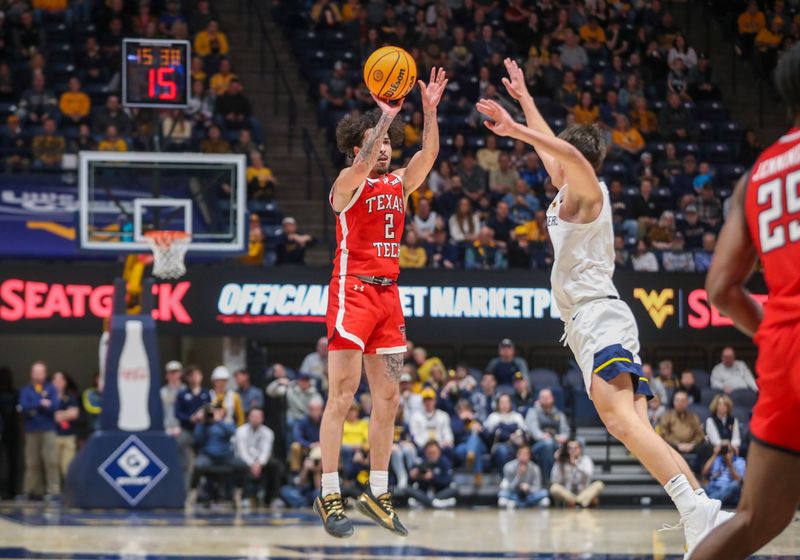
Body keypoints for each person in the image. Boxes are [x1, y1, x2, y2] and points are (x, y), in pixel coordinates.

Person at [478, 58, 730, 555]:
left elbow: (563, 152)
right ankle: (701, 510)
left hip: (598, 315)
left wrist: (514, 128)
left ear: (578, 161)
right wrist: (525, 99)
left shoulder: (590, 193)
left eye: (563, 160)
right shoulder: (566, 190)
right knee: (637, 427)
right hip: (594, 319)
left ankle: (694, 507)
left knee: (617, 422)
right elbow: (556, 150)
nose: (554, 167)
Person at [316, 68, 447, 538]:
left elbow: (428, 153)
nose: (387, 147)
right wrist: (385, 116)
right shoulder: (347, 186)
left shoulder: (397, 184)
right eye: (378, 142)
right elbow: (356, 168)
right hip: (352, 292)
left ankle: (377, 491)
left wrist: (428, 110)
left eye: (390, 141)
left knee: (389, 399)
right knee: (342, 396)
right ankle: (329, 491)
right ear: (359, 148)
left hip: (389, 295)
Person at [698, 42, 800, 551]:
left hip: (782, 350)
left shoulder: (757, 174)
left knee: (755, 518)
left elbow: (720, 288)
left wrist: (775, 335)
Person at [186, 402, 248, 509]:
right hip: (208, 457)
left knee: (242, 465)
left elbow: (232, 432)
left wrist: (218, 420)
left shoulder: (226, 423)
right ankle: (193, 492)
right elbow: (197, 439)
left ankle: (237, 492)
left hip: (226, 457)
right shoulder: (202, 425)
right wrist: (201, 422)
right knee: (198, 465)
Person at [18, 361, 60, 499]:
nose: (38, 375)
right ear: (31, 373)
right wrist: (40, 403)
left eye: (40, 372)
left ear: (45, 374)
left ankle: (54, 491)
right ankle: (30, 491)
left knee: (51, 460)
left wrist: (36, 407)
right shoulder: (26, 390)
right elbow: (23, 407)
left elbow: (54, 406)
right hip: (31, 430)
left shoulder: (51, 388)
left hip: (48, 428)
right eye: (35, 372)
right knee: (31, 462)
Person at [235, 407, 280, 507]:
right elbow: (242, 453)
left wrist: (259, 464)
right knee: (239, 465)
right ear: (249, 418)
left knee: (275, 465)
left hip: (260, 462)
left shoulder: (268, 432)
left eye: (258, 416)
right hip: (246, 461)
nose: (255, 419)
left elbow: (266, 452)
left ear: (262, 418)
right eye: (253, 416)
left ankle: (272, 498)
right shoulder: (240, 431)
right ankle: (245, 497)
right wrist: (252, 464)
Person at [175, 365, 211, 489]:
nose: (195, 377)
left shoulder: (206, 393)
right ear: (188, 378)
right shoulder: (183, 394)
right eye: (192, 375)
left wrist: (203, 414)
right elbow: (178, 413)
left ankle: (205, 491)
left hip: (203, 430)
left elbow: (211, 411)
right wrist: (190, 418)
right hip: (187, 429)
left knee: (205, 460)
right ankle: (183, 490)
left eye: (197, 374)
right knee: (184, 459)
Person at [525, 388, 569, 485]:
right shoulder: (533, 412)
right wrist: (542, 436)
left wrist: (563, 437)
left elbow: (565, 431)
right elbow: (533, 430)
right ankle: (548, 480)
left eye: (547, 397)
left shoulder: (558, 413)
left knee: (577, 443)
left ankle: (572, 481)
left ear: (552, 398)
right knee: (548, 443)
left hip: (556, 442)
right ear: (538, 399)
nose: (545, 399)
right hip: (536, 445)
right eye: (543, 397)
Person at [549, 439, 604, 507]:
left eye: (575, 448)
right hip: (567, 494)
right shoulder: (561, 461)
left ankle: (575, 503)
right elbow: (554, 480)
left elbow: (588, 475)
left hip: (583, 492)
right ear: (566, 450)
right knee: (554, 488)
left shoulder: (586, 460)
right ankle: (581, 503)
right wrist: (558, 462)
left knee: (599, 484)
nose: (573, 450)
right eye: (570, 448)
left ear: (580, 449)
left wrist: (576, 464)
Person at [405, 441, 457, 509]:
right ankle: (435, 503)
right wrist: (414, 476)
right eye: (430, 453)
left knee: (454, 489)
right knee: (407, 489)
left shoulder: (444, 462)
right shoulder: (420, 462)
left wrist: (433, 477)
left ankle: (426, 502)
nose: (432, 455)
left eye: (434, 453)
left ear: (439, 452)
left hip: (440, 492)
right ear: (425, 453)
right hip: (424, 492)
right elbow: (410, 480)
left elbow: (447, 480)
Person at [483, 393, 528, 469]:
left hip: (515, 445)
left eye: (507, 402)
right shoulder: (493, 416)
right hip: (498, 446)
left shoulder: (517, 416)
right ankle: (505, 478)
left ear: (510, 403)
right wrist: (510, 434)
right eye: (502, 402)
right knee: (503, 450)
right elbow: (489, 435)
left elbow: (523, 432)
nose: (504, 405)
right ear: (498, 404)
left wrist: (501, 428)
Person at [52, 371, 78, 482]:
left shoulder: (70, 397)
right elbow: (49, 416)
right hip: (53, 436)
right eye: (56, 380)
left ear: (65, 382)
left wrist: (59, 415)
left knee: (68, 465)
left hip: (68, 436)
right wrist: (66, 414)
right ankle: (55, 492)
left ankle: (69, 491)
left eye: (61, 380)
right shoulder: (48, 397)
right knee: (53, 465)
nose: (58, 383)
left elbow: (74, 414)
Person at [161, 360, 185, 437]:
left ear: (181, 374)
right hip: (166, 429)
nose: (174, 375)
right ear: (167, 375)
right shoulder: (162, 392)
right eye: (171, 372)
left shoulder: (186, 390)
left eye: (176, 372)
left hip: (183, 429)